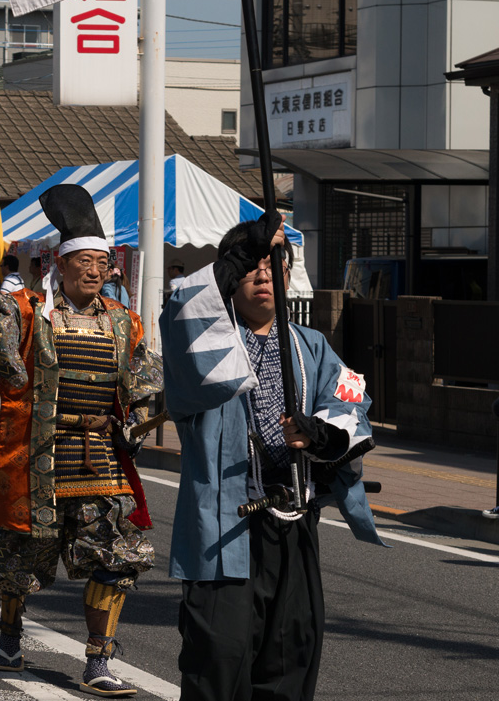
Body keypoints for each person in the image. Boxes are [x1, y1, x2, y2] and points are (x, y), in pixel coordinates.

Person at [160, 212, 384, 701]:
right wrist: (238, 254)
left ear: (288, 276)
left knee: (292, 658)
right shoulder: (209, 339)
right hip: (223, 525)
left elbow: (353, 408)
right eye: (251, 267)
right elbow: (179, 311)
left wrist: (323, 434)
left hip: (295, 523)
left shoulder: (313, 346)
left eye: (273, 266)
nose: (264, 276)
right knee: (218, 659)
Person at [0, 185, 161, 696]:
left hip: (101, 460)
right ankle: (11, 633)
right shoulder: (31, 309)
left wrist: (141, 423)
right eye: (84, 261)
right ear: (60, 265)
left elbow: (144, 383)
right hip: (37, 456)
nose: (94, 270)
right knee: (24, 554)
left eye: (102, 262)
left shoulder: (121, 320)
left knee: (116, 557)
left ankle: (99, 659)